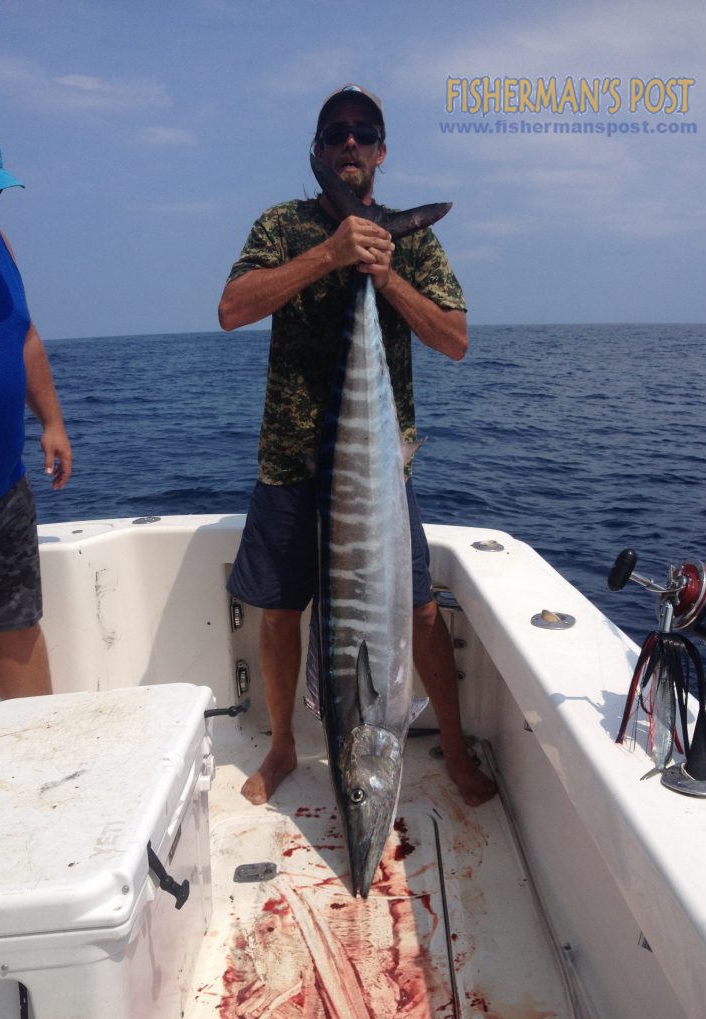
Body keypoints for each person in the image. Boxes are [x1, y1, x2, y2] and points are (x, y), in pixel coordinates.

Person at [218, 84, 496, 808]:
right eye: (335, 132)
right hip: (287, 459)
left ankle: (456, 750)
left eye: (363, 132)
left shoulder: (413, 240)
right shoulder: (281, 225)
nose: (349, 143)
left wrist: (384, 274)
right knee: (281, 612)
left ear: (380, 151)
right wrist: (331, 253)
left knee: (420, 609)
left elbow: (456, 340)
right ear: (317, 150)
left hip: (374, 472)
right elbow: (231, 309)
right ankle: (282, 749)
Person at [0, 116, 72, 699]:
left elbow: (22, 334)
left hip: (2, 490)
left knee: (16, 624)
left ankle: (40, 761)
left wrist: (50, 421)